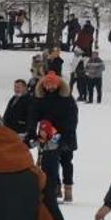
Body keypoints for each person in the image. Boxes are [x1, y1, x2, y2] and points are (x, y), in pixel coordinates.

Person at [30, 73, 79, 201]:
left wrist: (65, 135)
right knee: (49, 162)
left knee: (66, 162)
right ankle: (54, 188)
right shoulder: (40, 99)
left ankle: (68, 188)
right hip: (47, 135)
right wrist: (32, 132)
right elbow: (33, 116)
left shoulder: (67, 99)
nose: (49, 87)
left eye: (52, 84)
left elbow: (72, 119)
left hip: (66, 135)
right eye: (47, 84)